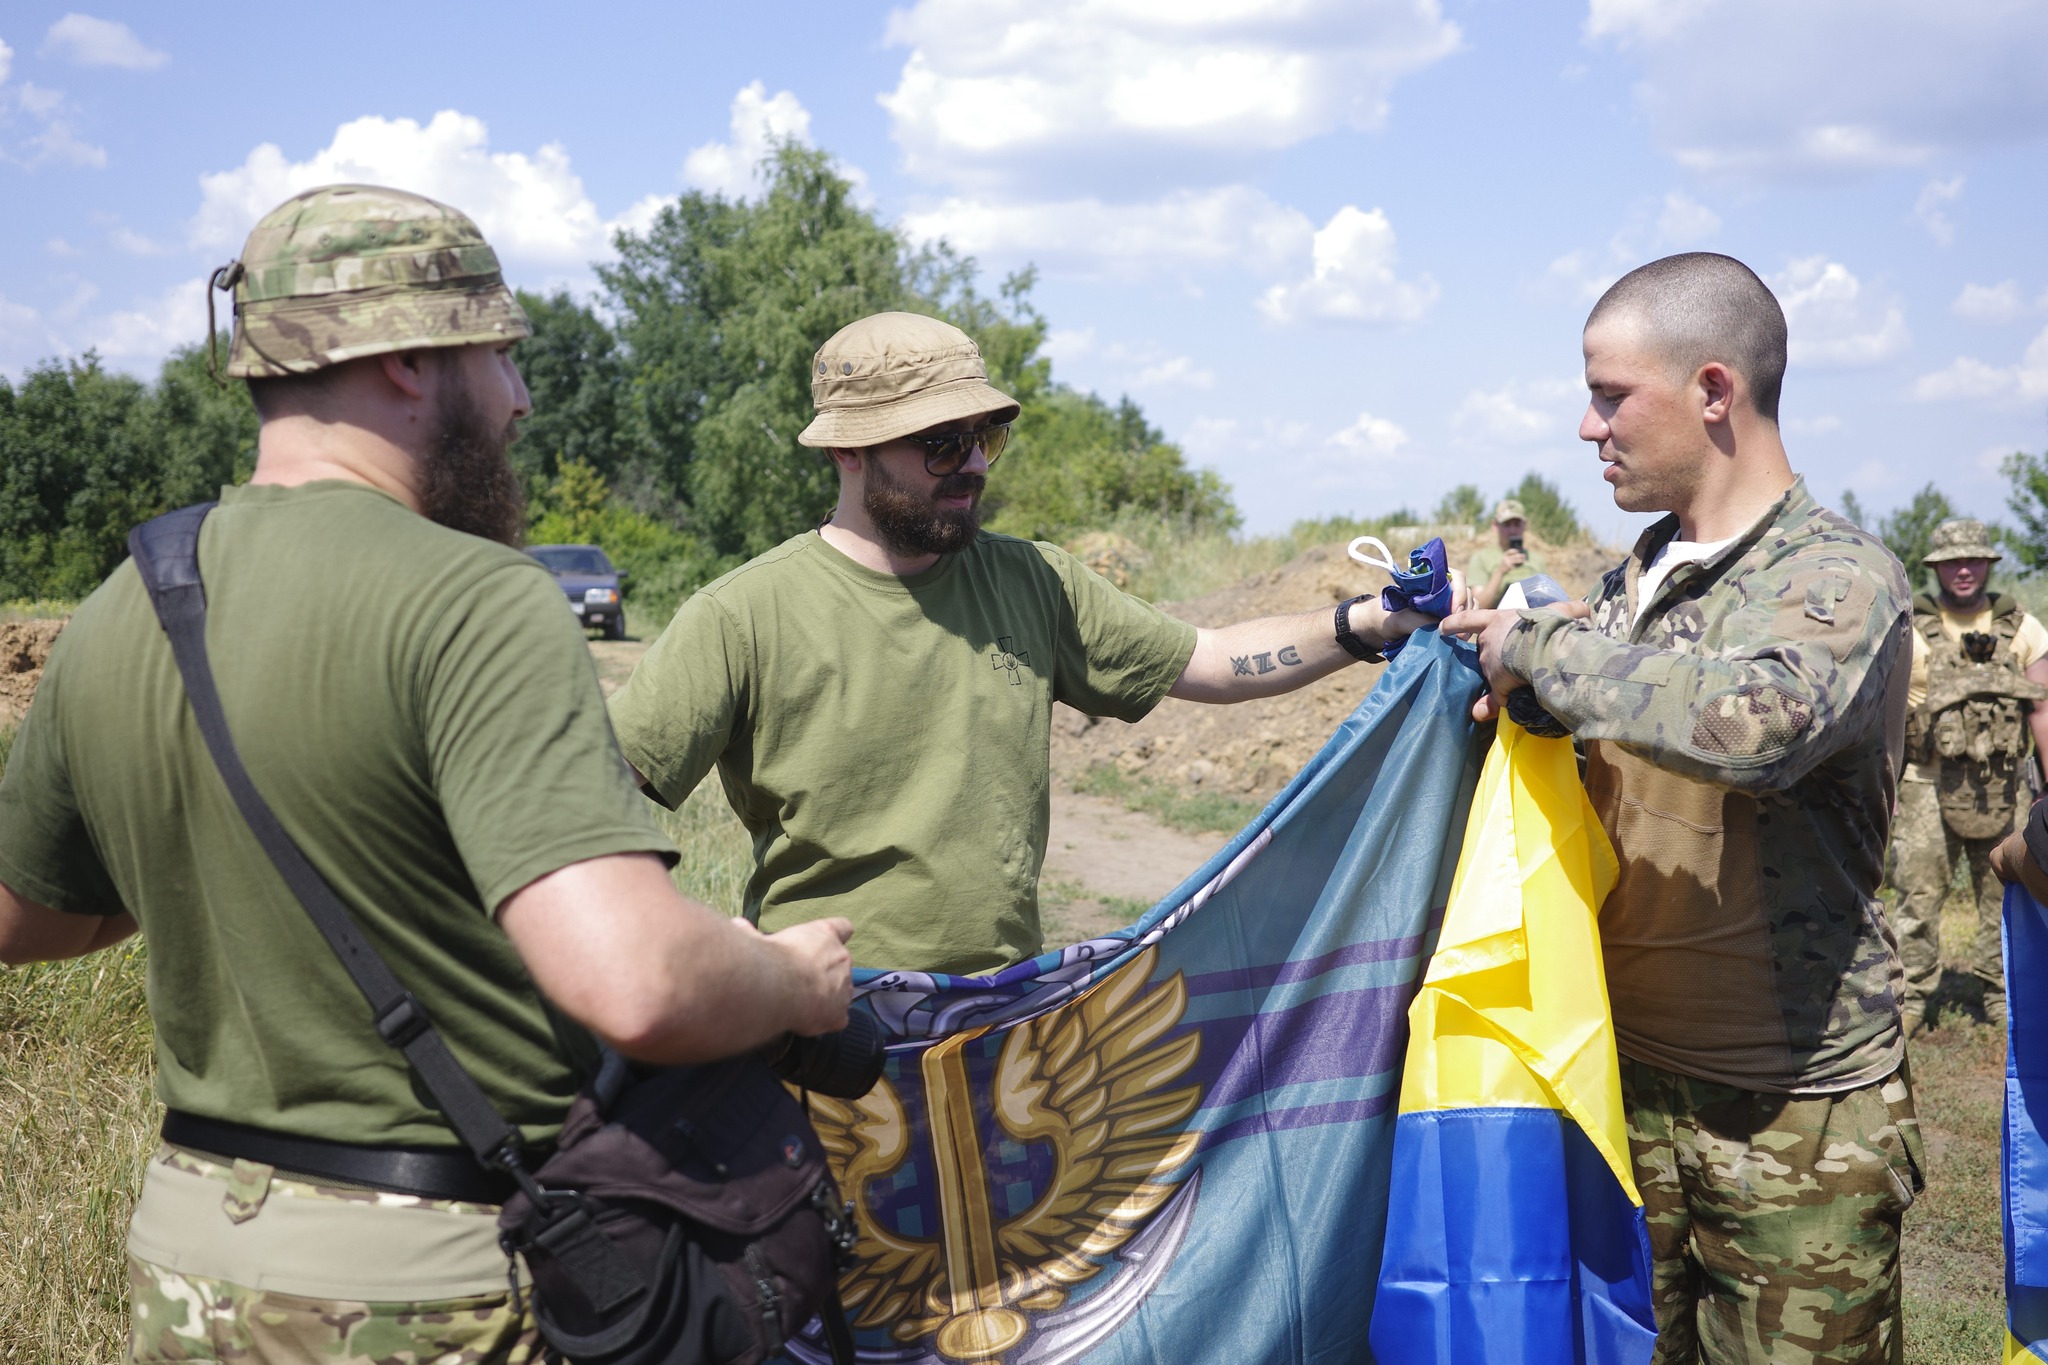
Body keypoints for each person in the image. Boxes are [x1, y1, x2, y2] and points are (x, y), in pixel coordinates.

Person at [0, 185, 854, 1363]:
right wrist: (792, 981)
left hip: (189, 1268)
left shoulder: (120, 607)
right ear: (409, 359)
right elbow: (637, 981)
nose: (519, 399)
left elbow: (26, 915)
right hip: (428, 1288)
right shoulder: (474, 598)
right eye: (502, 356)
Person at [609, 310, 1445, 977]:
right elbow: (595, 802)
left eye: (985, 437)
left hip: (1007, 1022)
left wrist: (1371, 620)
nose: (972, 462)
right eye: (941, 442)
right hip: (821, 1028)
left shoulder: (1031, 581)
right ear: (849, 450)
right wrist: (709, 962)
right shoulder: (742, 614)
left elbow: (1211, 659)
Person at [1443, 252, 1922, 1362]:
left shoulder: (1835, 579)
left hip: (1793, 1115)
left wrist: (1544, 649)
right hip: (1617, 1081)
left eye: (1610, 394)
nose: (1584, 425)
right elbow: (1594, 725)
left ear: (1713, 392)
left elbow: (1749, 727)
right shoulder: (1628, 584)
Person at [1890, 517, 2048, 1034]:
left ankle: (2002, 996)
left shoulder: (2021, 627)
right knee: (1917, 892)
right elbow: (1885, 715)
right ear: (1936, 567)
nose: (1963, 569)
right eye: (1952, 562)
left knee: (2006, 889)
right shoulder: (1906, 627)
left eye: (1973, 560)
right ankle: (1911, 998)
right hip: (1925, 782)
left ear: (1987, 563)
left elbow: (2041, 709)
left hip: (2004, 784)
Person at [1465, 497, 1550, 609]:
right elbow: (1478, 606)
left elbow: (1548, 602)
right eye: (1507, 524)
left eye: (1516, 524)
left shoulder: (1537, 560)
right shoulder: (1481, 558)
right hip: (1497, 621)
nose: (1512, 530)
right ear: (1495, 526)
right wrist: (1500, 572)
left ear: (1524, 525)